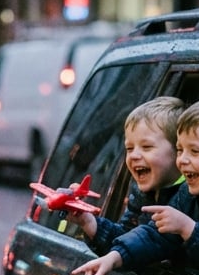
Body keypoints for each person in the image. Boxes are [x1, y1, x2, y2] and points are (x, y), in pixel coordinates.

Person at [72, 94, 199, 275]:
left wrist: (189, 229)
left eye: (194, 151)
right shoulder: (184, 195)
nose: (183, 160)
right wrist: (108, 249)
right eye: (181, 150)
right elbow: (150, 236)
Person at [69, 96, 185, 249]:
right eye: (129, 148)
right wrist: (87, 221)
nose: (134, 155)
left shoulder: (190, 199)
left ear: (179, 150)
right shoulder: (140, 194)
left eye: (147, 147)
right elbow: (125, 241)